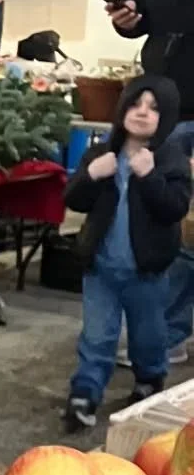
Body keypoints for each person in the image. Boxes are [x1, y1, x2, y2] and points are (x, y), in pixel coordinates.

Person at [106, 0, 194, 366]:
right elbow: (135, 13)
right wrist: (127, 18)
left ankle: (169, 330)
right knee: (157, 224)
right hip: (167, 112)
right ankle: (158, 330)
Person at [62, 75, 190, 432]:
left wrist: (150, 177)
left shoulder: (170, 160)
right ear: (122, 108)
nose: (142, 112)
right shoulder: (102, 154)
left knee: (148, 335)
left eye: (153, 108)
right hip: (101, 269)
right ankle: (85, 393)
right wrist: (90, 175)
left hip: (147, 272)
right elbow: (73, 198)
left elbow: (175, 207)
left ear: (166, 116)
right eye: (136, 103)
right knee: (97, 335)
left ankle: (149, 378)